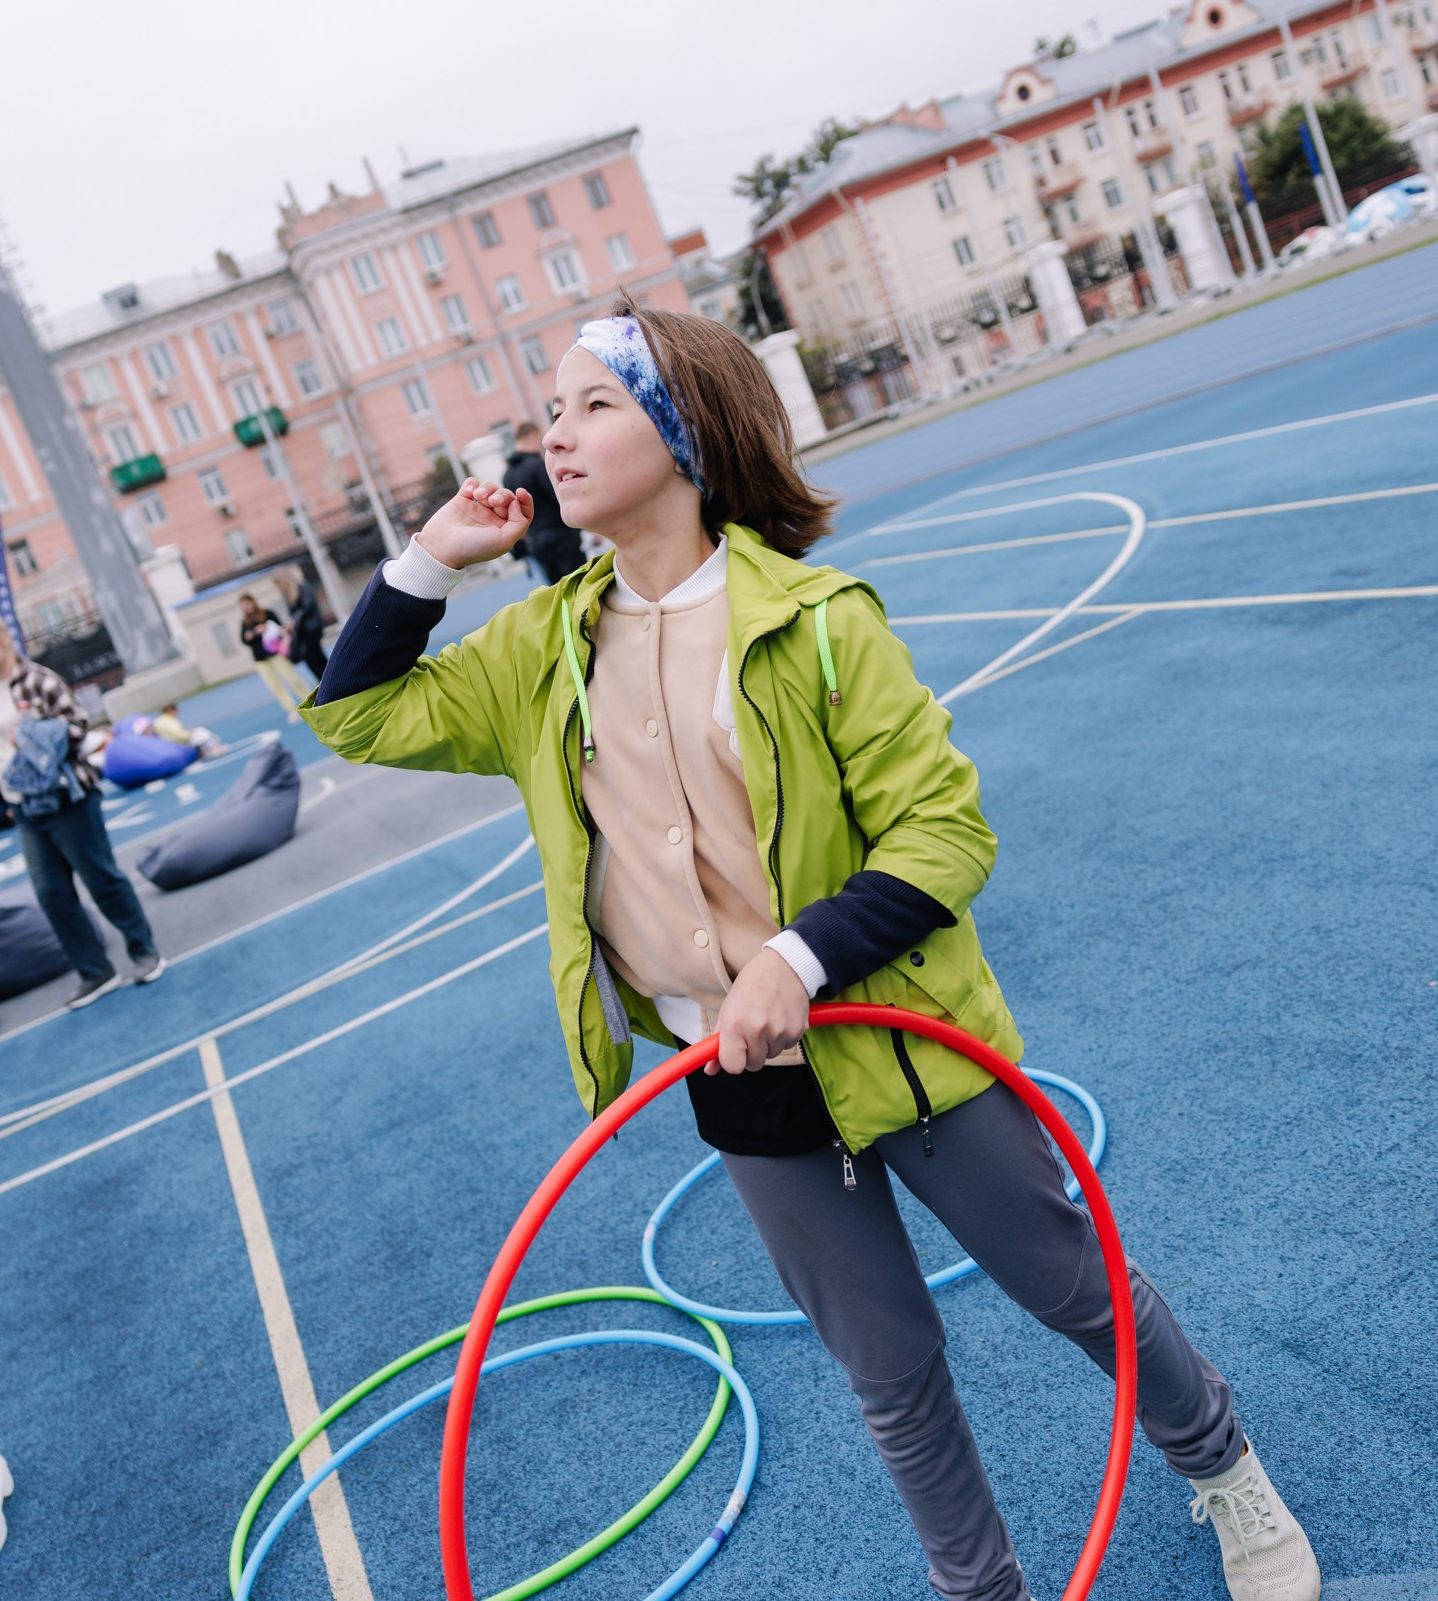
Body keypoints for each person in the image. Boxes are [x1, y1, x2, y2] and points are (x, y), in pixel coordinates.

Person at [303, 301, 1320, 1601]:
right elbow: (356, 718)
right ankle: (981, 1589)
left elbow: (945, 834)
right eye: (549, 410)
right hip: (733, 1072)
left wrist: (798, 956)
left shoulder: (819, 620)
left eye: (593, 404)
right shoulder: (538, 648)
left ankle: (1222, 1465)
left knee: (1078, 1290)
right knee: (889, 1373)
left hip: (900, 1043)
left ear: (688, 432)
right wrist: (431, 561)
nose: (551, 433)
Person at [0, 612, 165, 1008]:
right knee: (50, 893)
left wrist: (32, 735)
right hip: (23, 804)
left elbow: (77, 726)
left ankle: (144, 951)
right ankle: (95, 971)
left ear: (2, 639)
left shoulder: (39, 679)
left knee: (101, 878)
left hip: (65, 797)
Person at [500, 420, 583, 584]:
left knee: (558, 591)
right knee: (580, 585)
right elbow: (558, 497)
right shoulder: (537, 466)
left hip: (536, 541)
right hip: (561, 535)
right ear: (531, 435)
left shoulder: (507, 475)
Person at [237, 594, 311, 718]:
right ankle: (291, 709)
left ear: (253, 601)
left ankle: (309, 701)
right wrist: (251, 634)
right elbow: (244, 640)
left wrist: (266, 629)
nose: (247, 606)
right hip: (261, 659)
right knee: (275, 686)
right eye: (244, 605)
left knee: (292, 678)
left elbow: (281, 630)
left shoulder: (267, 613)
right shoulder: (245, 622)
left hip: (276, 654)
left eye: (248, 603)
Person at [269, 569, 332, 682]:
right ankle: (327, 681)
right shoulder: (288, 595)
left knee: (312, 658)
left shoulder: (302, 586)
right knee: (315, 657)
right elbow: (293, 613)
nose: (278, 587)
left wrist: (295, 620)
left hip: (312, 628)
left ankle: (327, 682)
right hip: (303, 631)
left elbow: (308, 606)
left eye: (278, 584)